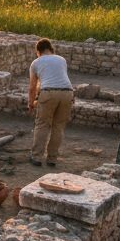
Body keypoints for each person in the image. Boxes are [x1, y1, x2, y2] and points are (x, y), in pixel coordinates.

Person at [27, 38, 74, 166]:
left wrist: (31, 103)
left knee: (42, 125)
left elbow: (32, 87)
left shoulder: (36, 62)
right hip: (68, 92)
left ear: (38, 51)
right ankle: (52, 159)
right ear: (51, 49)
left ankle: (36, 157)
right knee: (58, 127)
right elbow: (57, 77)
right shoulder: (61, 59)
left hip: (49, 92)